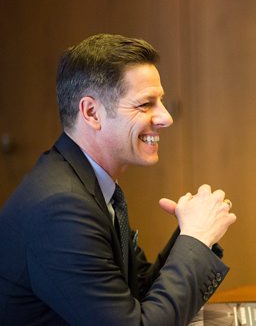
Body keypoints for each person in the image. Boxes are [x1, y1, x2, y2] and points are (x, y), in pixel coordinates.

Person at [0, 33, 236, 325]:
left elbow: (138, 295)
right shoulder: (61, 208)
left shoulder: (89, 184)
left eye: (160, 101)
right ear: (91, 112)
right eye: (145, 104)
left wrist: (192, 233)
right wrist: (196, 238)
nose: (166, 117)